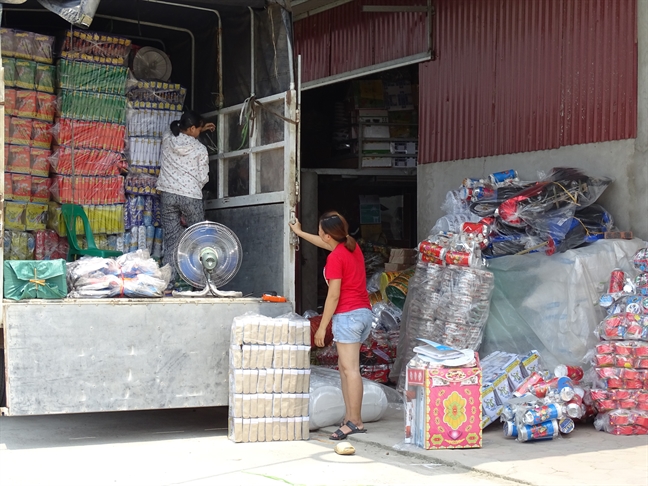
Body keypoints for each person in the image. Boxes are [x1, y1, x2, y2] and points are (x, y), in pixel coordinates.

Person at [289, 211, 373, 440]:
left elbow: (333, 296)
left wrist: (322, 326)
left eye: (320, 231)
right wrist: (299, 232)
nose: (319, 234)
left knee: (350, 370)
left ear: (328, 235)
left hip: (348, 316)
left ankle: (355, 421)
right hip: (363, 314)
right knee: (346, 369)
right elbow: (324, 243)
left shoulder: (335, 258)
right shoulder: (350, 247)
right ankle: (350, 417)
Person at [157, 110, 215, 283]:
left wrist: (199, 127)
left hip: (168, 194)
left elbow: (173, 126)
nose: (198, 132)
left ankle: (168, 282)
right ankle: (201, 282)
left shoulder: (167, 139)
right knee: (198, 237)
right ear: (191, 129)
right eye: (197, 129)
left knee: (172, 240)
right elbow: (204, 177)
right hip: (190, 195)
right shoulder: (199, 148)